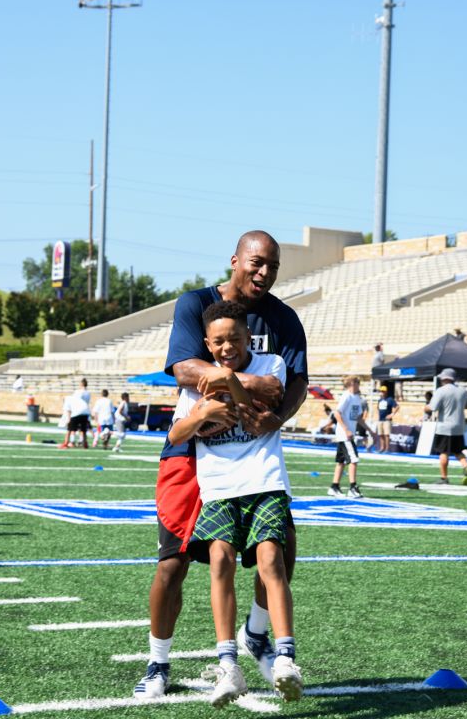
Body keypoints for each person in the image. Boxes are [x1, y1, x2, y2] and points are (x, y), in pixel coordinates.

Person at [134, 230, 307, 701]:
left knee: (283, 547)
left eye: (272, 265)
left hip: (251, 453)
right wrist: (245, 383)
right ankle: (158, 661)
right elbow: (186, 370)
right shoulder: (196, 304)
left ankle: (255, 635)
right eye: (255, 262)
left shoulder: (285, 318)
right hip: (191, 451)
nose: (263, 272)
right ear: (235, 260)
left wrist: (274, 418)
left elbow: (293, 387)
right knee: (172, 563)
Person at [170, 301, 302, 706]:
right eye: (220, 342)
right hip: (219, 488)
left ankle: (285, 659)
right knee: (221, 563)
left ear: (250, 338)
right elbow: (177, 434)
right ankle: (229, 665)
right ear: (208, 344)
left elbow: (252, 413)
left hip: (264, 481)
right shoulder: (196, 386)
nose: (228, 347)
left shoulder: (271, 365)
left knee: (271, 562)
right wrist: (204, 411)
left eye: (235, 339)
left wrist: (229, 382)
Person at [426, 368, 467, 485]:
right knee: (458, 451)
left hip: (444, 426)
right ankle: (466, 466)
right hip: (459, 426)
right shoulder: (463, 390)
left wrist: (425, 407)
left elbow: (433, 407)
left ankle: (444, 477)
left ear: (444, 378)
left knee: (443, 452)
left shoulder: (441, 390)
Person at [327, 375, 366, 499]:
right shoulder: (346, 396)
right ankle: (353, 487)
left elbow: (359, 418)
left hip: (347, 434)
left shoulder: (357, 398)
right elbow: (337, 413)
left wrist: (371, 431)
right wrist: (346, 429)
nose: (359, 385)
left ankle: (334, 486)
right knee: (353, 460)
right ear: (352, 384)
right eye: (357, 383)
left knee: (341, 462)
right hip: (345, 435)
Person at [374, 385, 398, 453]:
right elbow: (378, 408)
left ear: (386, 392)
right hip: (380, 419)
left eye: (383, 391)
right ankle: (382, 448)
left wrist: (392, 414)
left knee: (386, 434)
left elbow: (397, 406)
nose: (381, 393)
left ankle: (387, 448)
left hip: (387, 420)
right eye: (381, 391)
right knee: (380, 434)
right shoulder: (380, 400)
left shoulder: (390, 399)